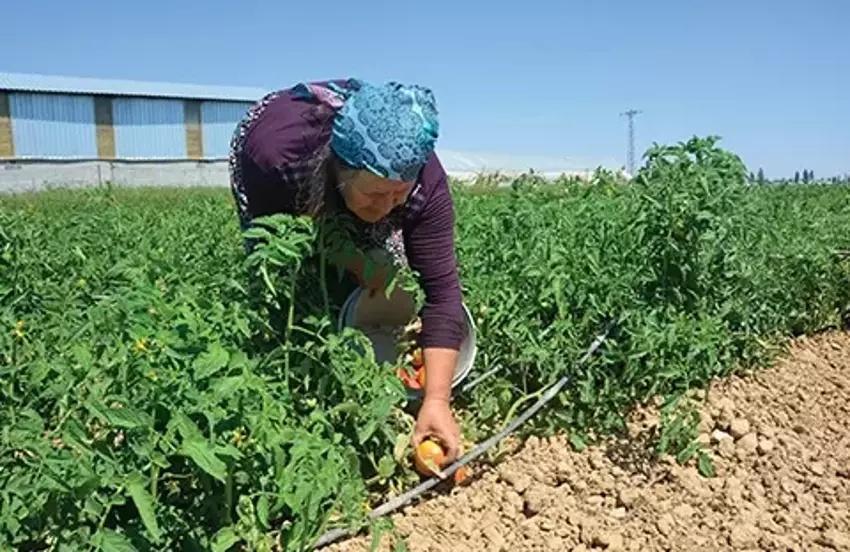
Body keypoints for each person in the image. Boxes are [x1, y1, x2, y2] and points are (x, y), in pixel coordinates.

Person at [229, 78, 466, 463]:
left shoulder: (426, 185)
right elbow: (290, 236)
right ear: (339, 169)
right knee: (288, 271)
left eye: (398, 195)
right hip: (279, 154)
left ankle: (364, 343)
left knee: (384, 262)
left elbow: (442, 291)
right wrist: (352, 263)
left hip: (365, 167)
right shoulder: (278, 159)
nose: (388, 207)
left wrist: (437, 398)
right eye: (375, 193)